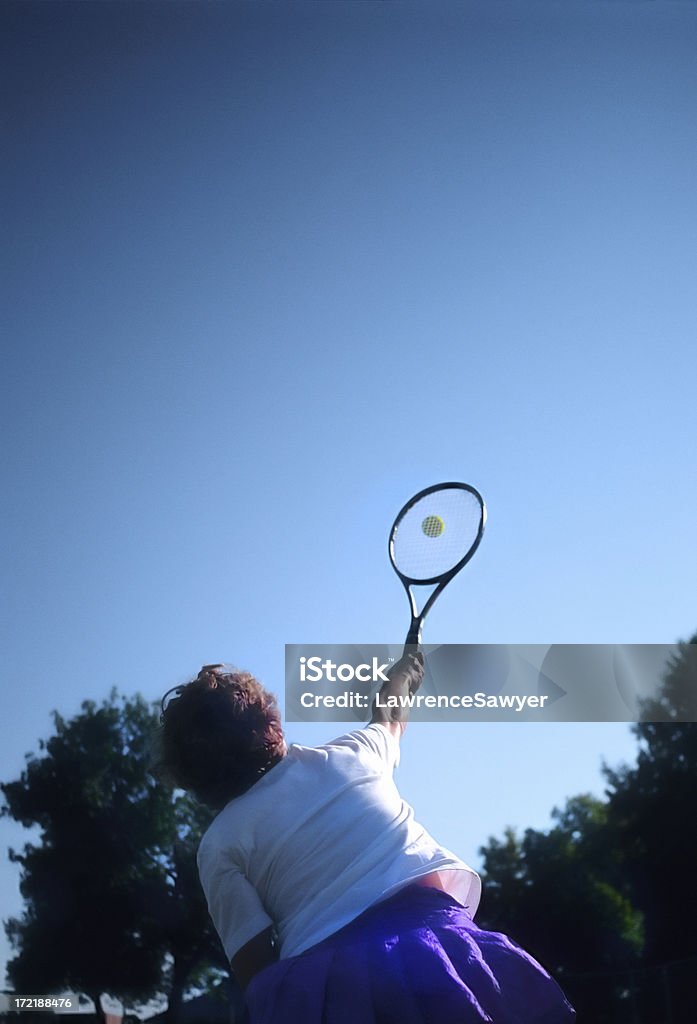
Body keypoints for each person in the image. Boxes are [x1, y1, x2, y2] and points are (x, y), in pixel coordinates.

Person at [156, 655, 575, 1023]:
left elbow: (258, 975)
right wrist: (404, 674)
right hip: (435, 951)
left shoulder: (219, 845)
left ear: (195, 782)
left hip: (328, 987)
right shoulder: (354, 754)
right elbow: (390, 711)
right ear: (272, 723)